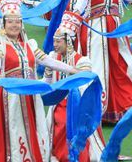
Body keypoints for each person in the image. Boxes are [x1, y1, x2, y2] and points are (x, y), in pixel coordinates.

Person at [0, 0, 82, 161]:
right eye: (10, 22)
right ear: (3, 25)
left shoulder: (29, 45)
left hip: (30, 95)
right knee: (13, 130)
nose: (14, 25)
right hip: (9, 96)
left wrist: (72, 70)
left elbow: (48, 61)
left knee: (33, 128)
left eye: (17, 22)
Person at [44, 11, 105, 162]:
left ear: (69, 42)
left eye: (59, 41)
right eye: (54, 41)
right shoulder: (52, 57)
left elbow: (84, 88)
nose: (55, 45)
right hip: (57, 103)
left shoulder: (82, 61)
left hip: (78, 104)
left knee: (68, 121)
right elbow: (46, 82)